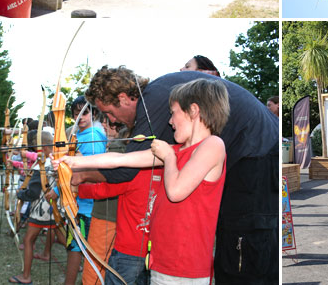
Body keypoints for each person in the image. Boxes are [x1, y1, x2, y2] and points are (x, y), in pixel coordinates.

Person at [69, 67, 279, 284]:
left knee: (243, 254)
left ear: (123, 98)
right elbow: (124, 160)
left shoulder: (158, 108)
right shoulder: (179, 141)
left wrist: (82, 175)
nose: (113, 120)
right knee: (232, 251)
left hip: (257, 158)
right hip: (167, 264)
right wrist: (75, 163)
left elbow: (128, 172)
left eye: (110, 112)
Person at [58, 78, 228, 284]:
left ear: (193, 111)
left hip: (185, 268)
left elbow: (176, 191)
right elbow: (120, 160)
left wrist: (169, 157)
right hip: (160, 262)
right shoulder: (173, 151)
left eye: (173, 113)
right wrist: (74, 161)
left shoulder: (212, 145)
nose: (170, 121)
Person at [48, 96, 107, 285]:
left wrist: (58, 190)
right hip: (76, 203)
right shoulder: (78, 136)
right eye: (76, 114)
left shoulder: (93, 136)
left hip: (87, 206)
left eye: (85, 112)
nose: (80, 117)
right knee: (74, 247)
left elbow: (90, 170)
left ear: (94, 113)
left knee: (85, 249)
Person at [9, 132, 65, 285]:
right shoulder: (59, 162)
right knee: (63, 238)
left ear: (44, 147)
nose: (36, 151)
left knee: (28, 240)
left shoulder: (41, 166)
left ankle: (26, 276)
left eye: (38, 147)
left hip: (41, 211)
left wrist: (21, 194)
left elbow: (33, 193)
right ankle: (78, 262)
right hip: (56, 210)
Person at [81, 115, 126, 285]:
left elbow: (111, 180)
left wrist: (80, 181)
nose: (104, 125)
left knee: (96, 266)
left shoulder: (119, 145)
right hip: (118, 215)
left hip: (108, 215)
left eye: (108, 120)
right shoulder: (118, 144)